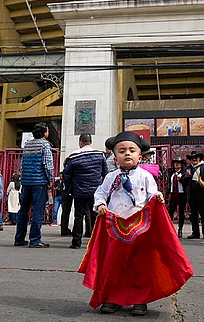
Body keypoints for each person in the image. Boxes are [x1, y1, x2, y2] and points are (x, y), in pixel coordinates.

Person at [81, 131, 192, 316]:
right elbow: (100, 194)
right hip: (115, 227)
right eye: (122, 150)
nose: (127, 153)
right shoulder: (110, 177)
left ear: (139, 156)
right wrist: (100, 204)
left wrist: (158, 197)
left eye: (131, 150)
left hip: (140, 228)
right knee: (114, 264)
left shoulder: (145, 176)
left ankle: (140, 299)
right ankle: (112, 298)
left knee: (139, 265)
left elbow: (152, 195)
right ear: (115, 157)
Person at [62, 133, 108, 249]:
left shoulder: (73, 157)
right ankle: (95, 242)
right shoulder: (100, 155)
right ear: (90, 142)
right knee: (95, 216)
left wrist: (69, 189)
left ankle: (76, 242)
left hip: (79, 192)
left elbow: (67, 176)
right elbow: (105, 173)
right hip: (95, 191)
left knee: (78, 216)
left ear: (80, 142)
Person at [14, 122, 54, 248]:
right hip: (39, 182)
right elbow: (47, 165)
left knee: (23, 211)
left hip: (26, 182)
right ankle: (35, 240)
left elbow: (22, 165)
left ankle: (19, 238)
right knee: (38, 211)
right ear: (45, 133)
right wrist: (50, 180)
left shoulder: (27, 145)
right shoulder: (45, 145)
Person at [185, 151, 204, 240]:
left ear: (199, 158)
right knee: (194, 215)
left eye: (196, 157)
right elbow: (184, 182)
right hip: (192, 194)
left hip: (202, 193)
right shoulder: (188, 169)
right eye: (192, 158)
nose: (194, 159)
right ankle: (195, 232)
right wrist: (186, 176)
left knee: (203, 214)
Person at [166, 157, 190, 238]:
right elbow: (168, 184)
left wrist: (181, 179)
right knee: (170, 212)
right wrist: (167, 194)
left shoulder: (184, 173)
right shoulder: (171, 173)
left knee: (181, 213)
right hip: (173, 194)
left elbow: (186, 184)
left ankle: (180, 230)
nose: (176, 165)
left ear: (181, 165)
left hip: (181, 194)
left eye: (178, 163)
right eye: (175, 163)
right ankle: (169, 229)